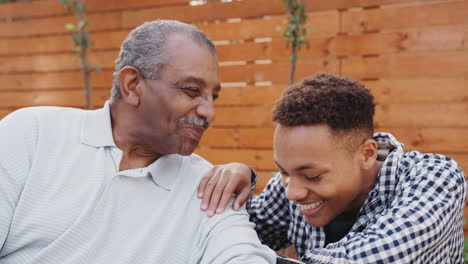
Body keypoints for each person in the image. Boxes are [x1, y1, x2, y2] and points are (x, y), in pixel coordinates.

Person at [0, 20, 277, 264]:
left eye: (212, 97)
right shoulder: (32, 134)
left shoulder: (208, 188)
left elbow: (242, 253)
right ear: (132, 85)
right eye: (192, 91)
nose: (209, 112)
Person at [199, 73, 467, 263]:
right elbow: (230, 233)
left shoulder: (435, 178)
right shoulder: (294, 189)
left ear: (367, 154)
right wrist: (237, 179)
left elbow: (374, 257)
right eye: (282, 171)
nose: (292, 192)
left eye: (312, 175)